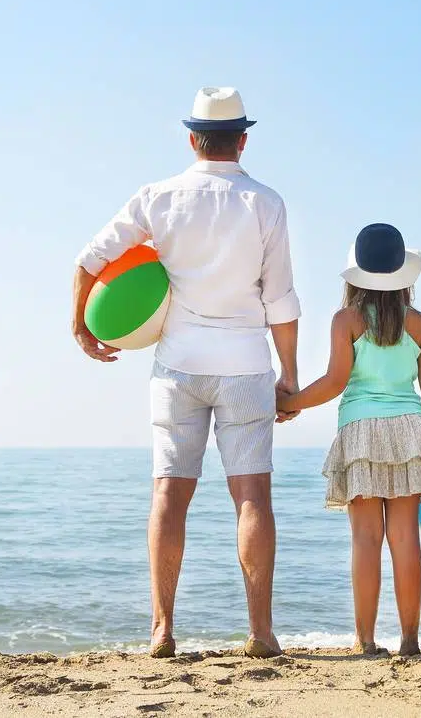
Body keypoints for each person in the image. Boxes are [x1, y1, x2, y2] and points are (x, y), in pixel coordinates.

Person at [72, 87, 300, 659]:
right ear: (243, 139)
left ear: (192, 138)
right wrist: (290, 376)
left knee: (169, 496)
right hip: (247, 364)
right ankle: (261, 632)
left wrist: (81, 328)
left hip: (177, 366)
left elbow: (89, 259)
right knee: (252, 498)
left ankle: (162, 629)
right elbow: (281, 300)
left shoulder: (158, 197)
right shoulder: (266, 203)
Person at [277, 224, 421, 657]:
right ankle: (410, 640)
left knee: (365, 540)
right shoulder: (420, 324)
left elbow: (335, 382)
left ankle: (366, 641)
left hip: (361, 430)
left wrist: (293, 402)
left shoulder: (346, 320)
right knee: (405, 538)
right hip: (409, 428)